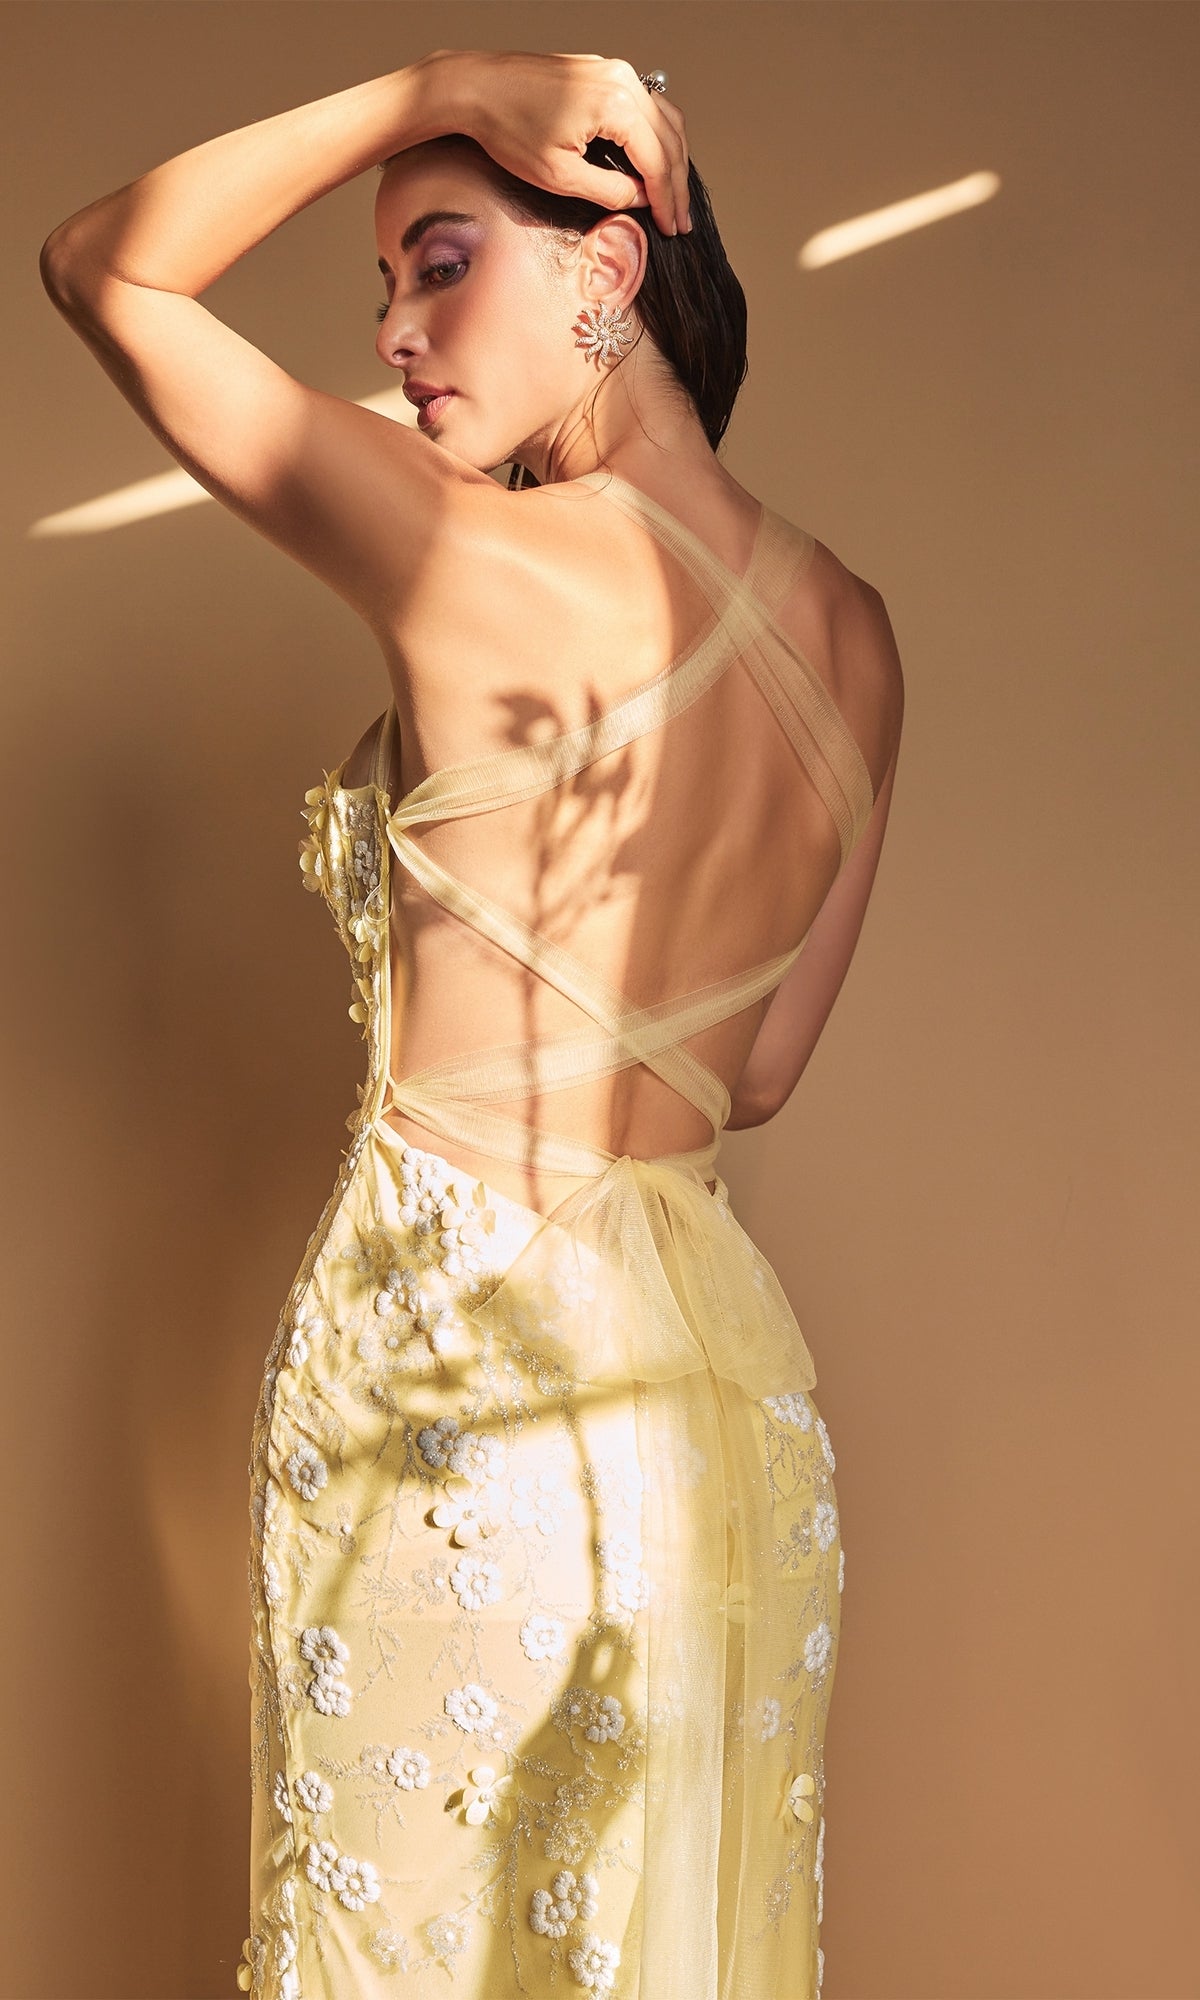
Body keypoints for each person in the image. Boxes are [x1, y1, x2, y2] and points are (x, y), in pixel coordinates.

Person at [40, 47, 903, 2000]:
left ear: (608, 266)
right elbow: (760, 1068)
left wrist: (433, 83)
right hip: (721, 1409)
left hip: (453, 1374)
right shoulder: (858, 638)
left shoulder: (465, 551)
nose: (394, 334)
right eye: (386, 285)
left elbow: (106, 268)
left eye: (440, 263)